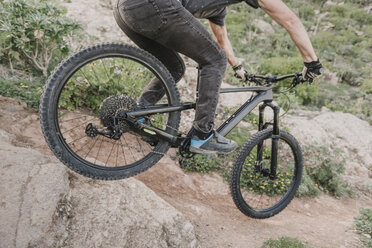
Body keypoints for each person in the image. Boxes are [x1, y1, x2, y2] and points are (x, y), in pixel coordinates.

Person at [113, 0, 324, 154]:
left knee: (175, 67)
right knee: (215, 60)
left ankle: (139, 112)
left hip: (126, 8)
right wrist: (312, 62)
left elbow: (221, 40)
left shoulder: (216, 7)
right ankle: (201, 134)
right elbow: (290, 20)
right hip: (154, 5)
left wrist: (238, 67)